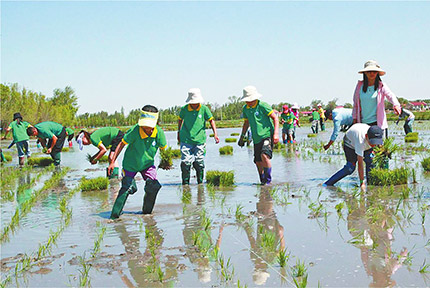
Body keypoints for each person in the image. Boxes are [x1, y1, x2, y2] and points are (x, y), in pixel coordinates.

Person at [108, 105, 166, 219]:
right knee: (127, 188)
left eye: (149, 125)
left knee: (153, 186)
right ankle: (114, 217)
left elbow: (164, 151)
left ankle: (147, 214)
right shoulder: (135, 130)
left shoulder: (159, 133)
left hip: (147, 165)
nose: (146, 127)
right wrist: (112, 161)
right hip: (130, 164)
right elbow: (121, 144)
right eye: (144, 124)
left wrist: (165, 162)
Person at [238, 86, 279, 185]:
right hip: (256, 138)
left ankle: (268, 182)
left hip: (267, 135)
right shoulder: (246, 109)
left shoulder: (263, 105)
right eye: (247, 100)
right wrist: (242, 137)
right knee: (258, 161)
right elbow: (246, 123)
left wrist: (276, 134)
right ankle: (262, 180)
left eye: (250, 99)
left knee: (264, 155)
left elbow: (275, 118)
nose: (249, 102)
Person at [178, 88, 219, 185]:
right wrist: (178, 133)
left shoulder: (204, 109)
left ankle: (200, 184)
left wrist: (215, 134)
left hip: (200, 140)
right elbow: (180, 120)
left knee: (199, 162)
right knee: (185, 162)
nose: (194, 104)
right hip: (186, 139)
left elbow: (211, 121)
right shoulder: (184, 109)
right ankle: (185, 184)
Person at [323, 124, 384, 189]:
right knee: (350, 168)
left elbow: (381, 148)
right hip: (350, 144)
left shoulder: (377, 134)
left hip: (363, 141)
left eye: (376, 142)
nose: (374, 144)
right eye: (372, 142)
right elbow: (360, 164)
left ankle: (370, 184)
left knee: (370, 162)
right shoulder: (360, 141)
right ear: (366, 136)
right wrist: (361, 183)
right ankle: (327, 184)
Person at [352, 60, 401, 134]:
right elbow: (355, 104)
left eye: (374, 71)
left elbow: (390, 95)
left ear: (377, 73)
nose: (372, 73)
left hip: (377, 123)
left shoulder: (381, 86)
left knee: (377, 144)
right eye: (369, 71)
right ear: (365, 73)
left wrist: (396, 105)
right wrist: (355, 120)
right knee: (364, 145)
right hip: (362, 123)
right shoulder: (359, 86)